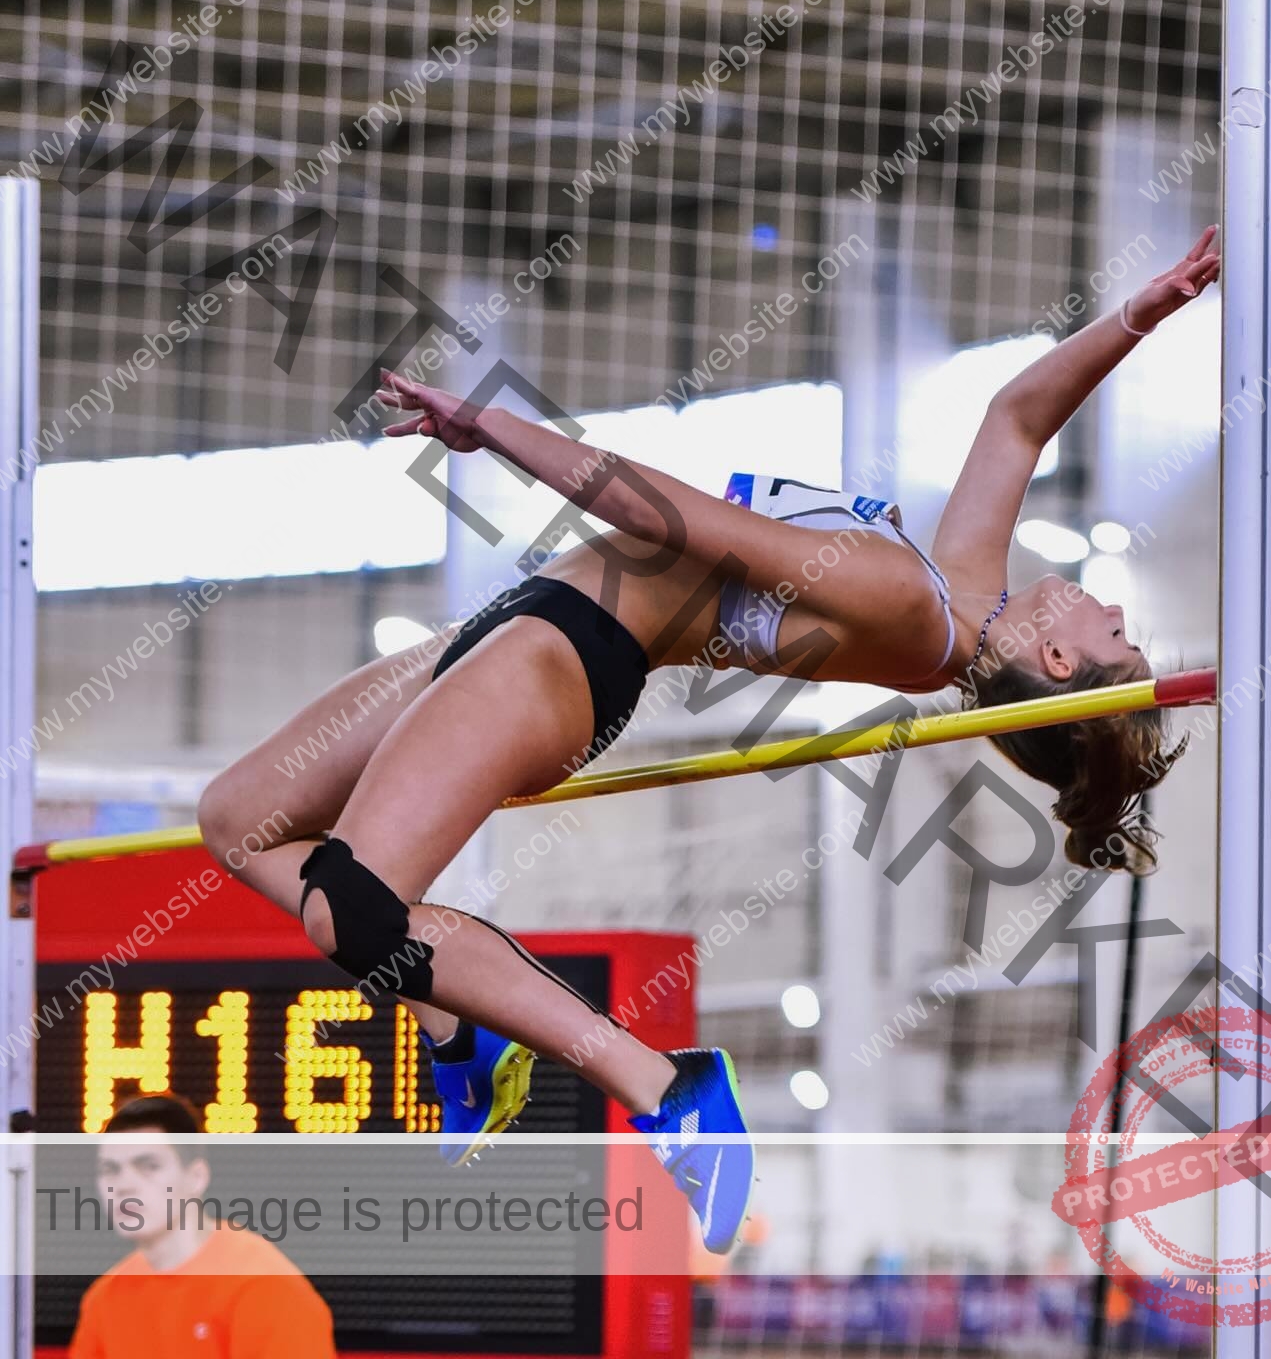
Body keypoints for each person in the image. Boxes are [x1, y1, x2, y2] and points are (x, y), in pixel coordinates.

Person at [197, 226, 1219, 1257]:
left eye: (1116, 639)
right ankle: (453, 1025)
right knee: (241, 818)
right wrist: (1144, 312)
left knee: (354, 916)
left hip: (568, 651)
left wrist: (494, 428)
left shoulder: (909, 603)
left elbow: (673, 519)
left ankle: (661, 1084)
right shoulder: (961, 595)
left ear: (1054, 662)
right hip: (525, 613)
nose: (1114, 610)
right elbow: (1017, 418)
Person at [68, 1093, 336, 1359]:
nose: (124, 1185)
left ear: (196, 1177)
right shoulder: (105, 1300)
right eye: (110, 1170)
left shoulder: (264, 1290)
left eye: (148, 1166)